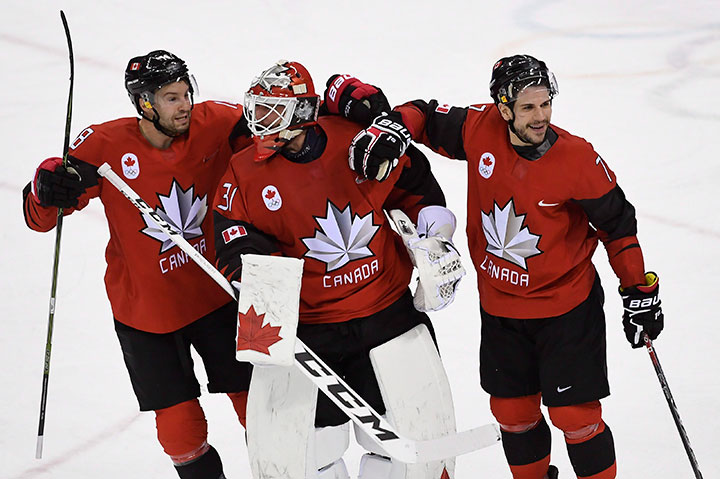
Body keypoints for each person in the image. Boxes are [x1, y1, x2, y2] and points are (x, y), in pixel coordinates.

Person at [333, 55, 664, 479]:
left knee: (575, 416)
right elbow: (425, 115)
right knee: (513, 412)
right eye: (527, 108)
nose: (540, 116)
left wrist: (638, 291)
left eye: (545, 104)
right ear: (503, 108)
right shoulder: (479, 128)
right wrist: (393, 127)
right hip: (501, 308)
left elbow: (618, 224)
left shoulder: (577, 158)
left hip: (566, 308)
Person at [212, 60, 465, 479]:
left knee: (401, 447)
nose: (259, 122)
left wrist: (432, 231)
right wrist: (253, 272)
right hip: (310, 331)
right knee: (312, 456)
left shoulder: (356, 141)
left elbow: (414, 183)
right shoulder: (243, 170)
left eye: (272, 111)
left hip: (388, 317)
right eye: (257, 110)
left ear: (302, 114)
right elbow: (232, 232)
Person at [23, 50, 254, 479]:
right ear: (144, 103)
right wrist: (45, 188)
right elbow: (41, 218)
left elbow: (282, 137)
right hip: (146, 311)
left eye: (186, 93)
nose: (185, 104)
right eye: (170, 97)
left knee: (259, 407)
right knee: (180, 430)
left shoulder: (219, 123)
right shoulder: (103, 146)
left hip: (220, 293)